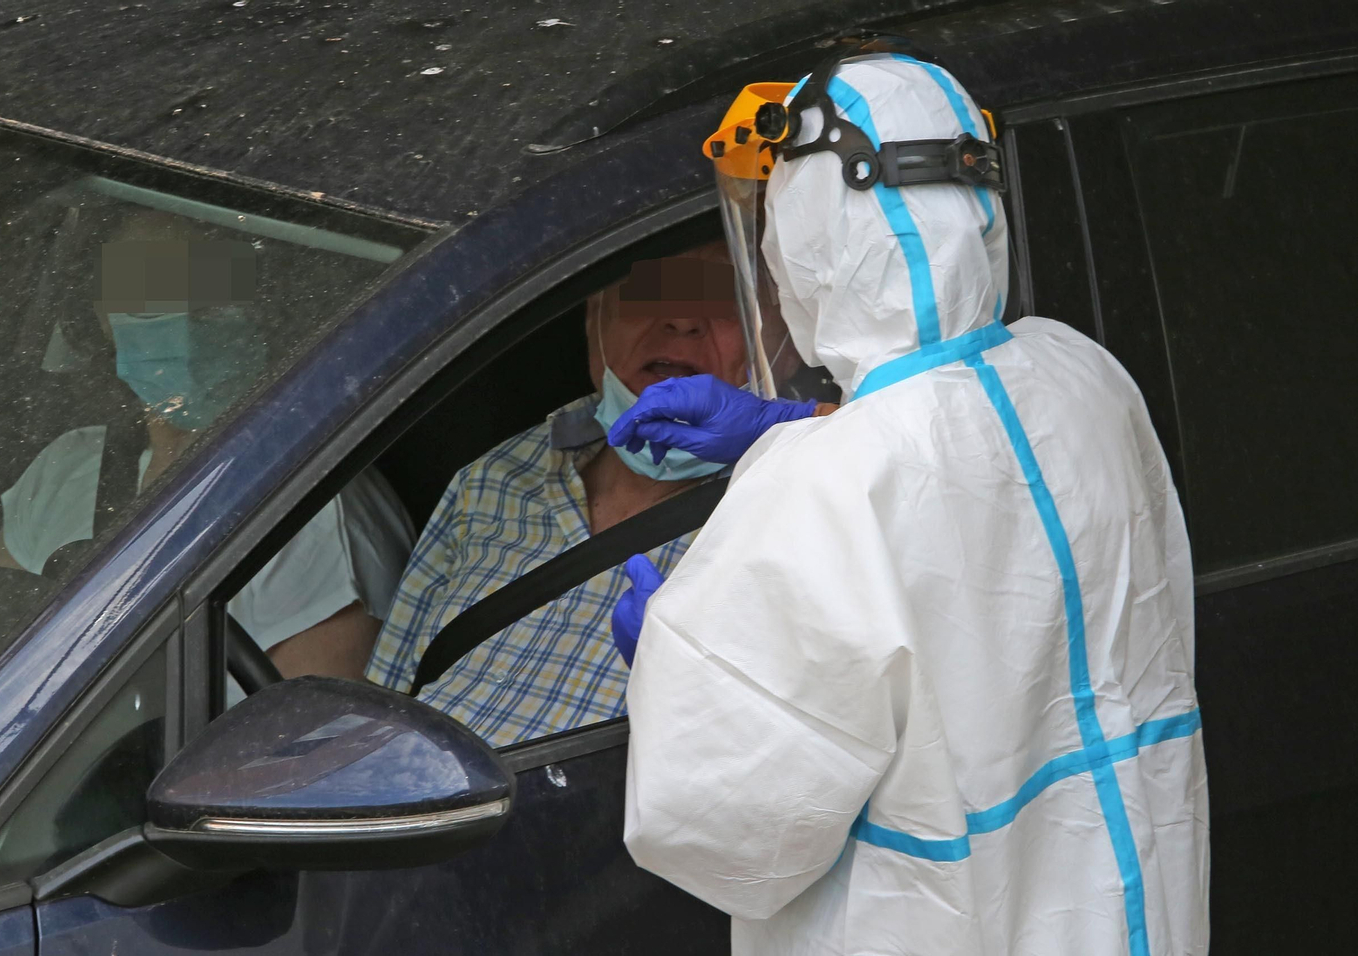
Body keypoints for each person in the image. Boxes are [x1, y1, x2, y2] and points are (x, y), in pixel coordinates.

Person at [608, 39, 1207, 955]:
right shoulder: (1080, 374)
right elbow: (969, 482)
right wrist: (786, 424)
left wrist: (684, 676)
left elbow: (730, 835)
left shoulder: (819, 492)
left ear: (805, 242)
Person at [364, 244, 793, 747]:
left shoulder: (804, 511)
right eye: (648, 289)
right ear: (595, 321)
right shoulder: (497, 475)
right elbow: (377, 710)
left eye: (723, 296)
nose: (680, 317)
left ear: (785, 337)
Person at [0, 209, 415, 684]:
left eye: (211, 295)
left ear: (260, 306)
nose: (183, 325)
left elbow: (318, 749)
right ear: (100, 317)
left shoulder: (309, 509)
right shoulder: (65, 468)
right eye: (147, 294)